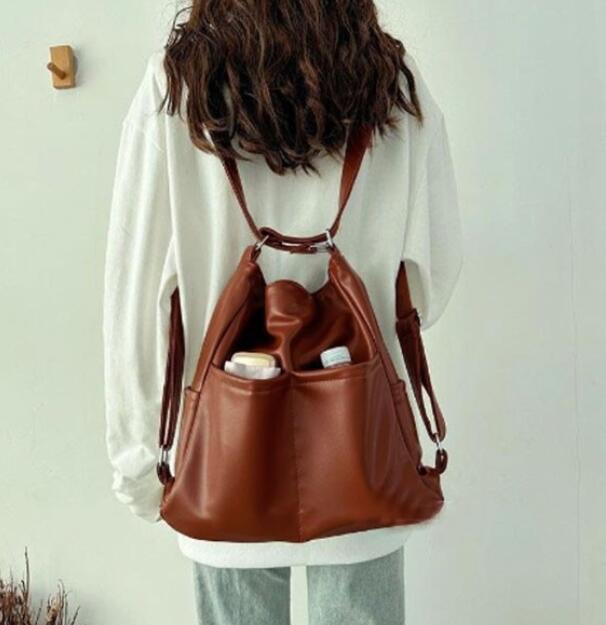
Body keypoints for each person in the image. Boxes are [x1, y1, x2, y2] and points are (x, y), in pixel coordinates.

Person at [102, 1, 463, 623]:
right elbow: (433, 280)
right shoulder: (392, 81)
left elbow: (134, 295)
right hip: (362, 460)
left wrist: (137, 465)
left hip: (222, 464)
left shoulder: (176, 84)